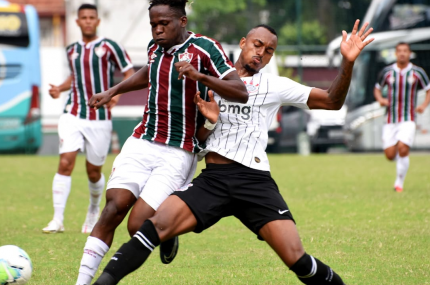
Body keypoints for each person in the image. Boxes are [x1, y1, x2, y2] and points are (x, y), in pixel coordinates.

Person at [92, 20, 374, 285]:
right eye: (257, 44)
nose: (261, 53)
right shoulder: (209, 80)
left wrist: (348, 62)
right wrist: (210, 121)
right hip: (213, 179)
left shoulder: (274, 86)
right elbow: (198, 136)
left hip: (254, 181)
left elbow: (332, 101)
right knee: (151, 227)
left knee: (296, 259)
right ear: (243, 43)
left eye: (269, 50)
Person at [75, 1, 249, 284]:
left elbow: (240, 91)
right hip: (143, 140)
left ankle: (169, 234)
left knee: (138, 225)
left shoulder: (206, 48)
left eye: (163, 24)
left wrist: (199, 75)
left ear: (182, 20)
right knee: (112, 209)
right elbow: (150, 71)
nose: (157, 30)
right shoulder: (154, 48)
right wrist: (113, 90)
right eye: (153, 24)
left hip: (178, 151)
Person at [42, 4, 135, 234]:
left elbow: (129, 73)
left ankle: (93, 209)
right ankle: (57, 219)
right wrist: (60, 89)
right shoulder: (72, 49)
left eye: (91, 17)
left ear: (97, 21)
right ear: (77, 21)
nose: (87, 21)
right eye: (83, 17)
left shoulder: (109, 47)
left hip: (100, 117)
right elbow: (75, 77)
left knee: (94, 171)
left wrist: (117, 95)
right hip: (72, 113)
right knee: (65, 162)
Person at [374, 42, 430, 192]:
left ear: (409, 53)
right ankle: (401, 161)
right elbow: (377, 89)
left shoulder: (417, 72)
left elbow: (428, 90)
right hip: (390, 119)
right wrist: (380, 99)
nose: (402, 54)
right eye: (399, 51)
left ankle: (399, 183)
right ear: (396, 53)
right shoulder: (387, 72)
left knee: (403, 148)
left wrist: (423, 106)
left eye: (405, 51)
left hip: (408, 118)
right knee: (390, 155)